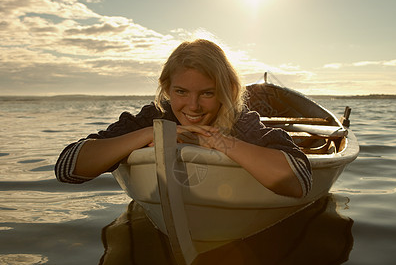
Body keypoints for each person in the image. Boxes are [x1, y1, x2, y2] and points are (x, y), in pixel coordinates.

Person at [55, 39, 311, 198]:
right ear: (167, 88)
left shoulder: (240, 120)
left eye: (207, 93)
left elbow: (300, 181)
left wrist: (218, 142)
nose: (193, 106)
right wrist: (152, 134)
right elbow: (67, 168)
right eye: (181, 92)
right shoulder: (155, 115)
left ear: (227, 91)